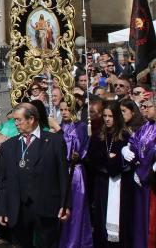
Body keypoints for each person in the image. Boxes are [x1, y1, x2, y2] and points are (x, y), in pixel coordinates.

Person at [0, 103, 70, 248]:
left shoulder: (54, 141)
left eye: (18, 120)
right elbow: (4, 181)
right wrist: (3, 209)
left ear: (31, 119)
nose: (15, 123)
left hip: (46, 206)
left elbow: (63, 176)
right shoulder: (8, 146)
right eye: (15, 120)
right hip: (18, 209)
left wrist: (65, 205)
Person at [87, 101, 134, 247]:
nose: (107, 119)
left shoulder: (125, 135)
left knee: (120, 219)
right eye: (105, 116)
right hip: (102, 182)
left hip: (121, 184)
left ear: (117, 117)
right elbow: (92, 158)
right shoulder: (98, 135)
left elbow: (128, 161)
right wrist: (109, 159)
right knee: (102, 218)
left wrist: (115, 161)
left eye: (111, 116)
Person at [55, 100, 92, 248]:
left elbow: (73, 149)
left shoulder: (81, 127)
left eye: (67, 109)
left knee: (75, 210)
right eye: (62, 109)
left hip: (75, 173)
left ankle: (75, 242)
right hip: (61, 171)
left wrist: (58, 130)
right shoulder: (61, 125)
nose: (64, 112)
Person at [122, 97, 156, 248]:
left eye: (148, 106)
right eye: (142, 106)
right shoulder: (145, 126)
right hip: (141, 180)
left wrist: (148, 170)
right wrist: (126, 150)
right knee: (141, 220)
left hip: (152, 181)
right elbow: (134, 143)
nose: (144, 109)